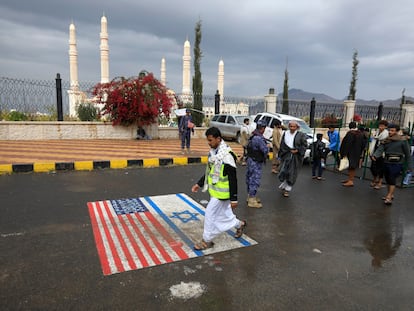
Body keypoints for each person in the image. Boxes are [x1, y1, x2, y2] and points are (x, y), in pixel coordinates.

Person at [191, 127, 247, 250]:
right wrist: (199, 184)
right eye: (208, 140)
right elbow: (209, 172)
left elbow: (233, 179)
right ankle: (240, 224)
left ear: (218, 139)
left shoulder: (227, 157)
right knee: (225, 215)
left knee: (210, 214)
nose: (209, 143)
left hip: (223, 194)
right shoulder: (213, 153)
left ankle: (207, 240)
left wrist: (234, 199)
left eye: (211, 140)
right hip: (215, 192)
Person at [372, 124, 413, 205]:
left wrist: (409, 166)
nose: (390, 132)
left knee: (392, 179)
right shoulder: (387, 140)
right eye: (389, 130)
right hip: (387, 162)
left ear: (397, 131)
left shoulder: (403, 141)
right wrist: (375, 155)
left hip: (397, 164)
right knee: (388, 180)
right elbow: (380, 149)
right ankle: (390, 194)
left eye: (392, 130)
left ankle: (389, 197)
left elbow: (408, 154)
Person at [278, 120, 308, 197]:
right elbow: (282, 144)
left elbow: (304, 145)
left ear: (297, 127)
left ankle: (287, 189)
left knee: (292, 172)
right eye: (291, 126)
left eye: (294, 127)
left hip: (295, 157)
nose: (292, 128)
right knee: (284, 171)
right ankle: (284, 185)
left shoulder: (301, 135)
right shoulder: (285, 133)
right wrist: (280, 154)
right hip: (286, 154)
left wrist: (297, 150)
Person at [245, 120, 269, 208]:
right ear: (262, 128)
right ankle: (252, 199)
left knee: (249, 178)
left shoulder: (253, 136)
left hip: (251, 160)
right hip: (256, 162)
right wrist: (268, 147)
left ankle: (250, 196)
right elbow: (265, 150)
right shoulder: (259, 138)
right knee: (254, 179)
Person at [339, 121, 366, 187]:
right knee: (352, 166)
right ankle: (349, 179)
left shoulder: (350, 134)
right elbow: (363, 144)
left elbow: (347, 144)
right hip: (357, 153)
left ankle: (351, 181)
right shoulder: (360, 134)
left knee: (351, 167)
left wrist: (344, 153)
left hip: (350, 153)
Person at [368, 120, 389, 189]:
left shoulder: (386, 134)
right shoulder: (377, 132)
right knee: (373, 167)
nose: (380, 127)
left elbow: (383, 143)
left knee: (380, 168)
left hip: (381, 153)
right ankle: (375, 179)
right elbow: (374, 139)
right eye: (380, 125)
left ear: (385, 127)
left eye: (382, 126)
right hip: (374, 150)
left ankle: (379, 182)